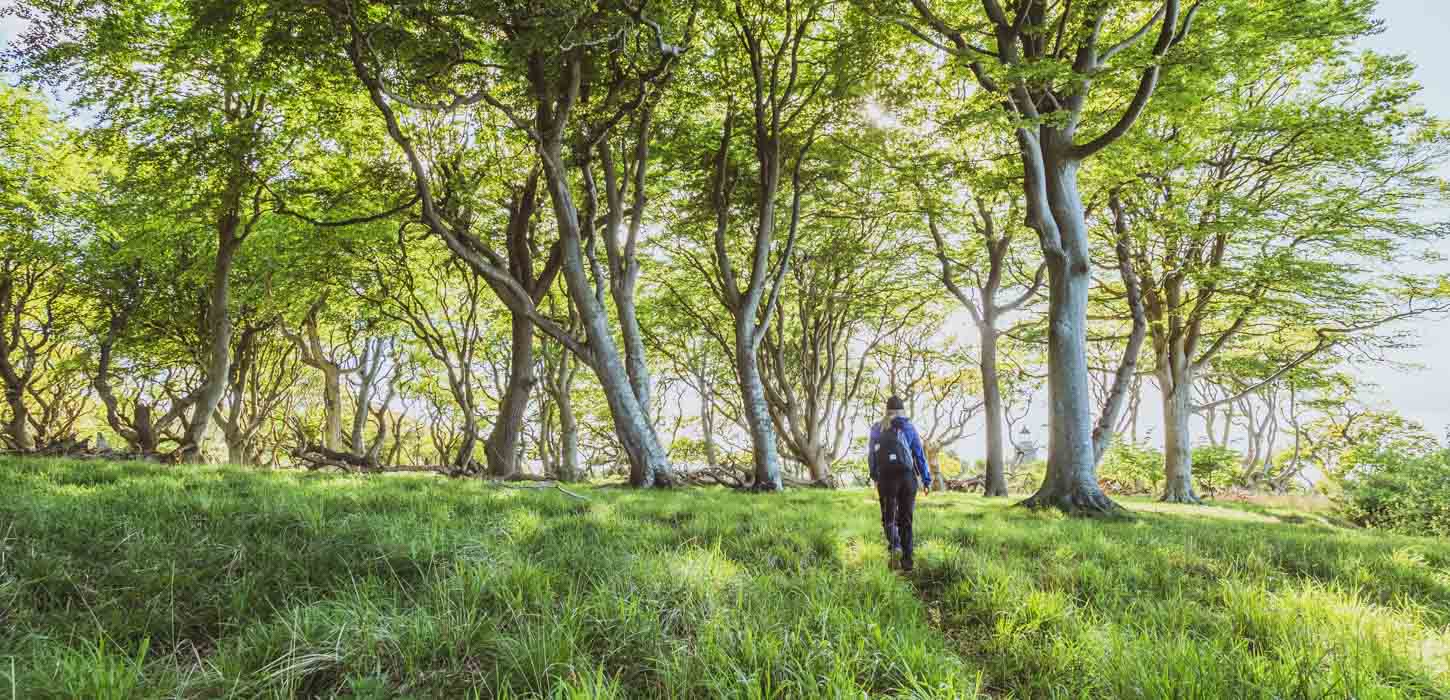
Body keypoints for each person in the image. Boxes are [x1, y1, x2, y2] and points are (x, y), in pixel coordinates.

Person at [868, 396, 930, 572]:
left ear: (886, 411)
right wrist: (926, 480)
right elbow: (919, 455)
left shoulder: (877, 428)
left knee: (888, 517)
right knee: (906, 519)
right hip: (907, 478)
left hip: (886, 479)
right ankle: (907, 560)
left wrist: (875, 476)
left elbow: (871, 455)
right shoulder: (908, 427)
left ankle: (895, 548)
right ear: (902, 411)